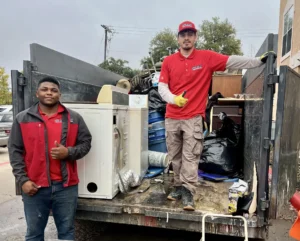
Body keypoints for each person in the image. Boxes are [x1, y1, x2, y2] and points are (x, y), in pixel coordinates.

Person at [158, 20, 276, 211]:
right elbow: (162, 87)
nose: (186, 38)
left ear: (195, 37)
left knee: (191, 156)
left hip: (193, 117)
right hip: (172, 117)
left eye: (190, 34)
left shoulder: (206, 58)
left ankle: (188, 191)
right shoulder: (168, 61)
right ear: (178, 38)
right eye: (183, 34)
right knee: (175, 156)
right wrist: (173, 99)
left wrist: (257, 61)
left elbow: (232, 61)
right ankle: (178, 187)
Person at [8, 76, 92, 240]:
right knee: (34, 234)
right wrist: (22, 180)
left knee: (66, 233)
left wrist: (68, 152)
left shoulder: (73, 118)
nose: (49, 93)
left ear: (59, 94)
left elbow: (86, 143)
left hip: (66, 188)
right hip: (34, 187)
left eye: (54, 90)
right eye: (44, 89)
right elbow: (15, 151)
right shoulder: (22, 119)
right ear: (37, 93)